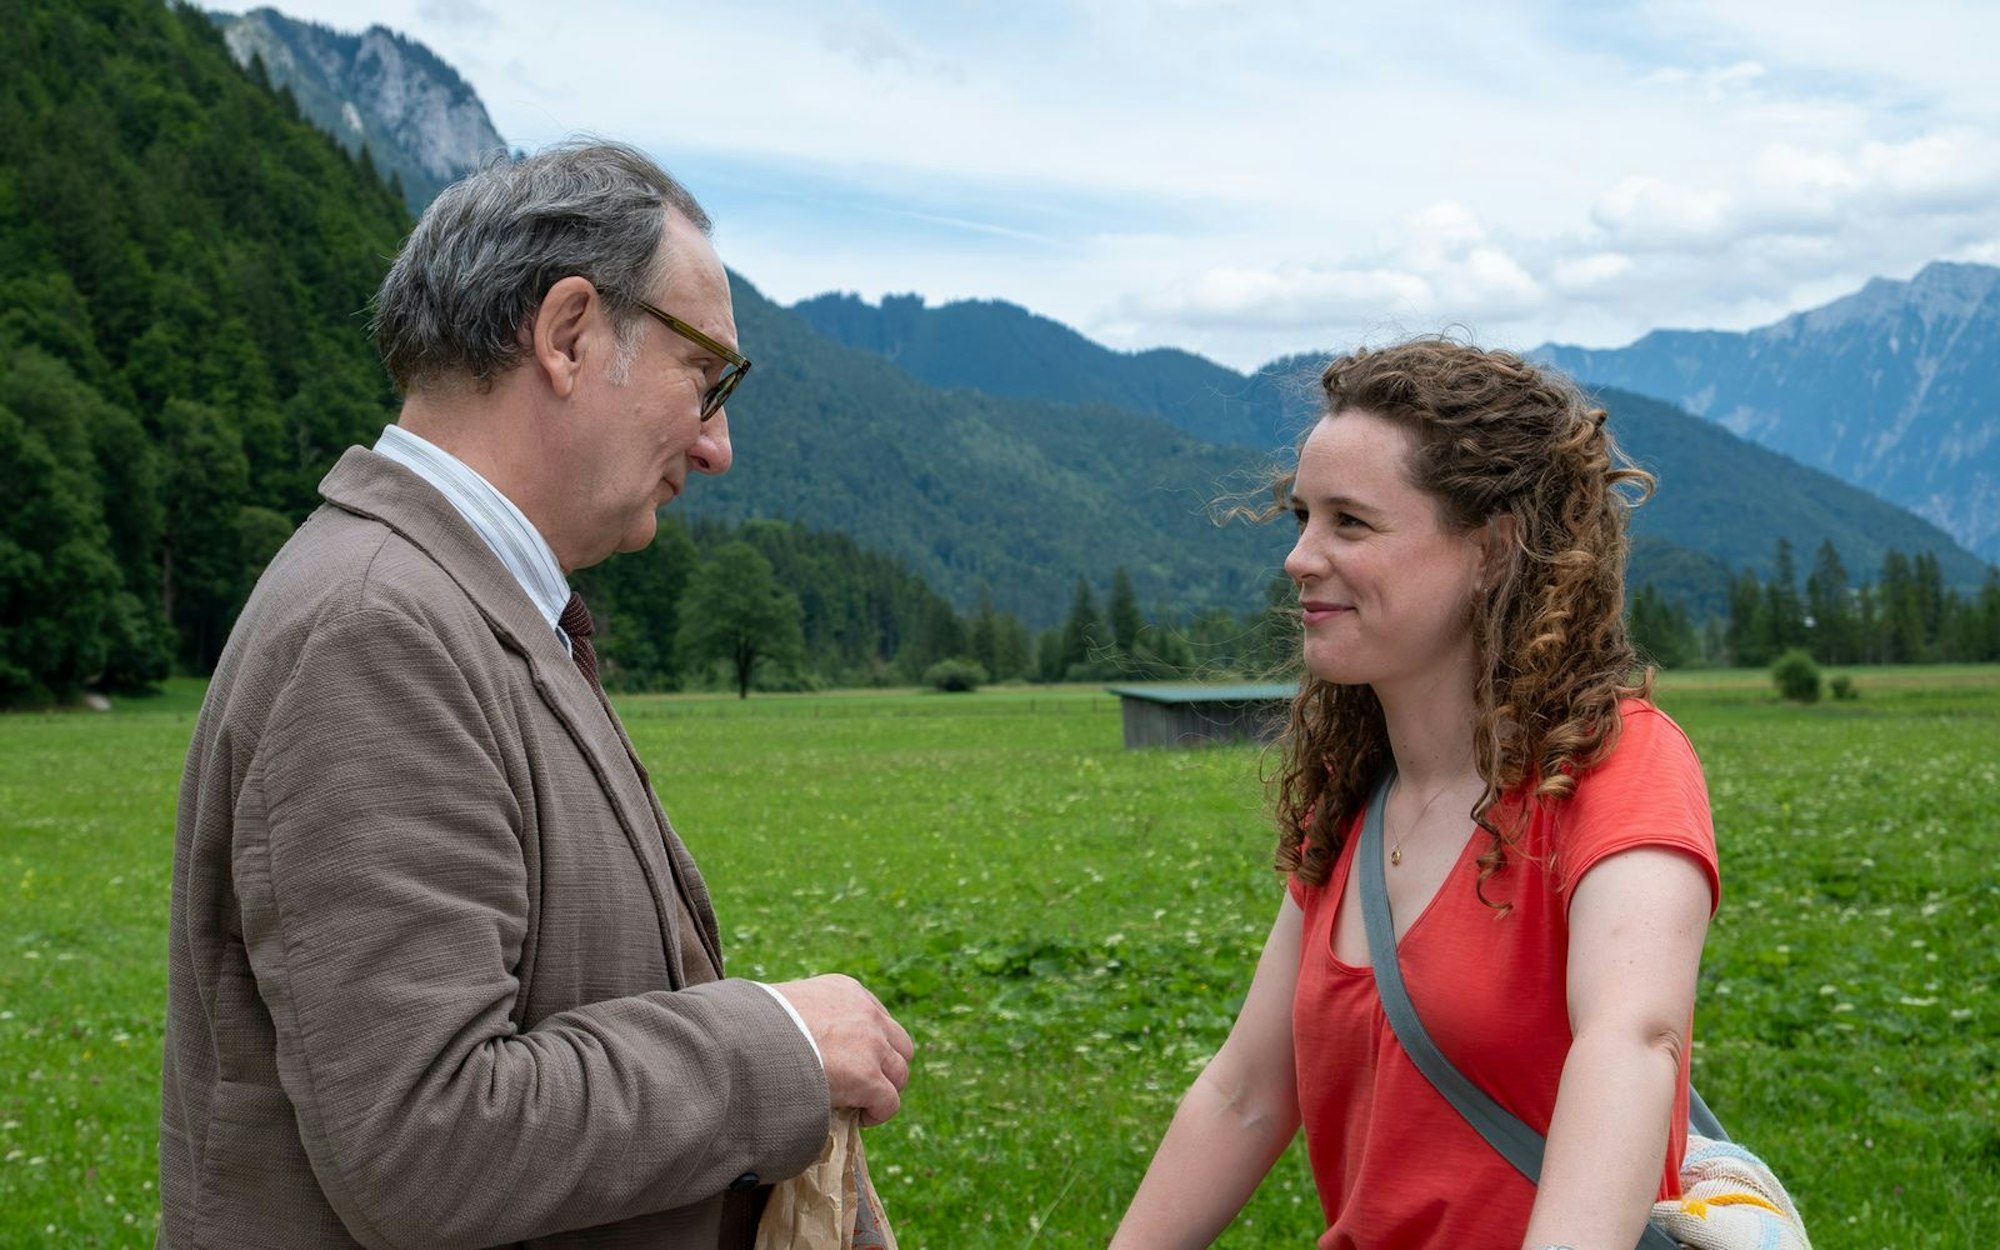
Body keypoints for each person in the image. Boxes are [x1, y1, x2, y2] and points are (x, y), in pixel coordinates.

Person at [158, 140, 913, 1249]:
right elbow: (424, 1140)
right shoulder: (376, 629)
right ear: (567, 335)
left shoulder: (460, 604)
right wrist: (780, 1046)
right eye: (707, 378)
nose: (717, 446)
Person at [1111, 339, 1719, 1249]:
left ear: (1494, 549)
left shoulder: (1613, 763)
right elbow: (1246, 1094)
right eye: (1302, 517)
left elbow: (1631, 1043)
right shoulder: (1353, 800)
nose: (1300, 558)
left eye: (1350, 523)